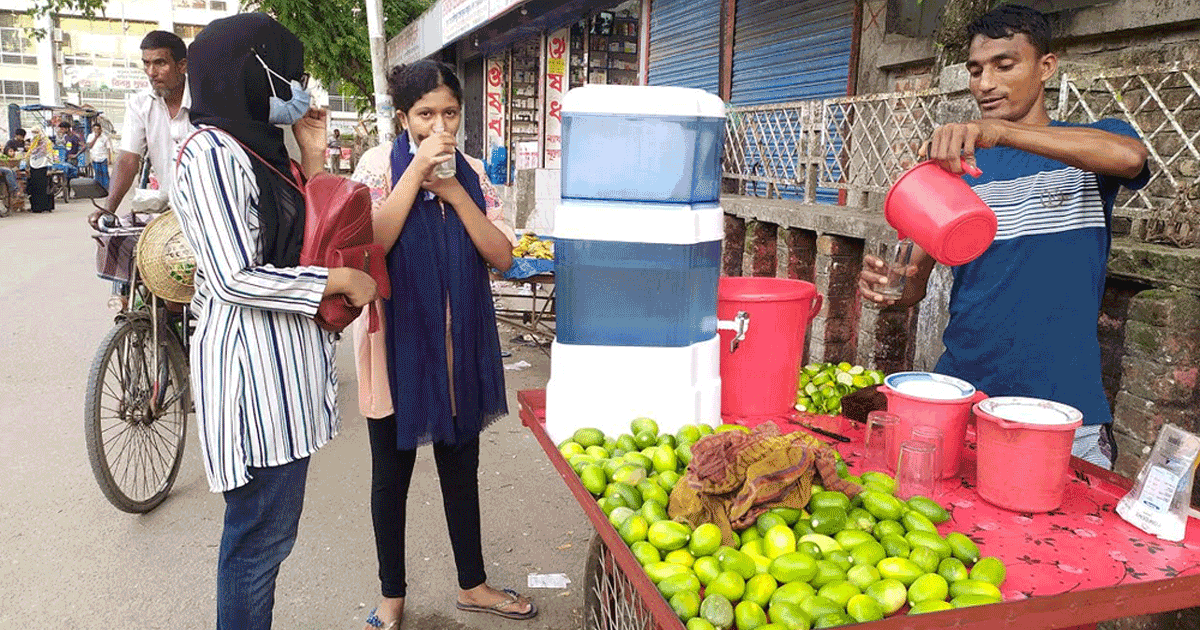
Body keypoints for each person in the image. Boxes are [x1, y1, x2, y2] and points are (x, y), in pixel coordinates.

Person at [858, 4, 1150, 469]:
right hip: (959, 398)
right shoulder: (954, 170)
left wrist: (1003, 134)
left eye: (1004, 65)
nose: (985, 84)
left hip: (1060, 411)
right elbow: (913, 283)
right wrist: (891, 285)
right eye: (975, 70)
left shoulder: (1091, 146)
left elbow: (1130, 158)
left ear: (1045, 67)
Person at [170, 13, 378, 629]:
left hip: (286, 377)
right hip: (254, 381)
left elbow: (308, 235)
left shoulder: (261, 150)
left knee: (269, 540)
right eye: (289, 73)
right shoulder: (209, 153)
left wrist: (313, 161)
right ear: (251, 73)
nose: (298, 86)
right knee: (257, 547)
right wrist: (338, 280)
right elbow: (235, 276)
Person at [348, 60, 532, 630]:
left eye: (449, 113)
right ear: (403, 117)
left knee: (461, 466)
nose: (438, 125)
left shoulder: (473, 171)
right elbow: (371, 245)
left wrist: (452, 190)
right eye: (425, 114)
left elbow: (501, 256)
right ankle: (391, 596)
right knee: (391, 474)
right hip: (393, 350)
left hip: (460, 346)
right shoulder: (376, 167)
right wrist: (415, 176)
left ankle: (472, 583)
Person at [88, 30, 190, 229]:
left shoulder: (206, 99)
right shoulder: (140, 104)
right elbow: (128, 158)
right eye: (146, 63)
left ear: (182, 65)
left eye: (160, 63)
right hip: (171, 208)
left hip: (211, 206)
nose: (151, 72)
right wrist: (109, 209)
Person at [24, 127, 54, 213]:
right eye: (33, 132)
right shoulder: (33, 142)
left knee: (43, 187)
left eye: (36, 132)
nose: (35, 134)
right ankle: (36, 207)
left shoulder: (47, 143)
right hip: (33, 166)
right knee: (34, 187)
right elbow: (29, 155)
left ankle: (45, 207)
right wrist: (27, 167)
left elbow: (50, 155)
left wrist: (49, 168)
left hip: (43, 166)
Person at [86, 122, 112, 190]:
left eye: (98, 129)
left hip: (103, 158)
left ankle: (106, 188)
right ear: (93, 130)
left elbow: (109, 148)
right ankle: (98, 188)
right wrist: (95, 138)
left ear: (101, 130)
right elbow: (89, 146)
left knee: (105, 173)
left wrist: (109, 159)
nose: (97, 131)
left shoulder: (105, 137)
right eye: (95, 129)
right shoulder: (90, 136)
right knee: (97, 173)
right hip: (95, 158)